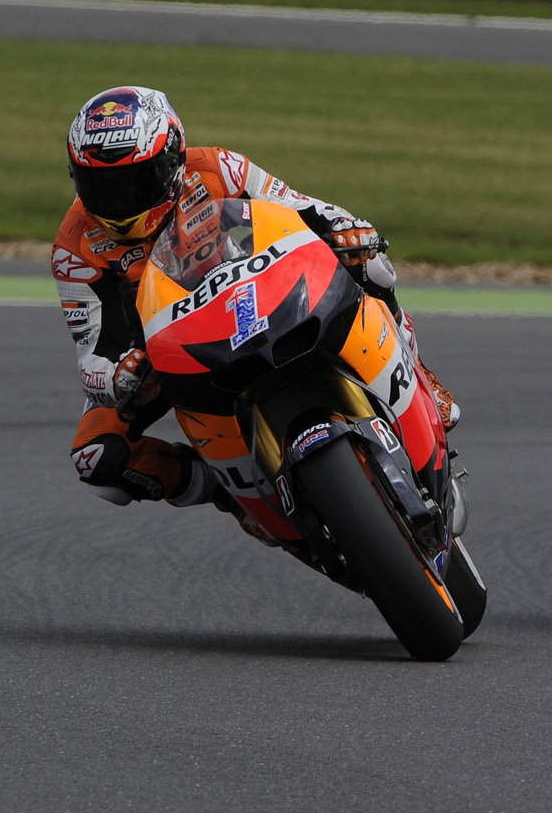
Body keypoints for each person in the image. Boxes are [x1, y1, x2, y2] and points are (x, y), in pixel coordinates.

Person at [52, 85, 459, 529]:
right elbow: (92, 353)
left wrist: (346, 228)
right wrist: (120, 373)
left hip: (252, 291)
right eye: (101, 187)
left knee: (371, 262)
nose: (119, 202)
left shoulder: (219, 168)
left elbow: (302, 208)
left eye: (135, 182)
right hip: (161, 352)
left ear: (172, 161)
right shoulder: (73, 247)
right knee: (96, 457)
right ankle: (223, 488)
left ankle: (418, 372)